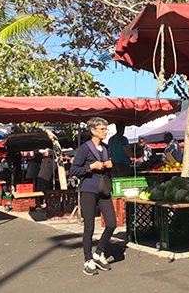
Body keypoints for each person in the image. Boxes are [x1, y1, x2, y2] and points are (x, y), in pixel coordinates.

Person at [69, 117, 115, 276]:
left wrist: (109, 165)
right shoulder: (84, 148)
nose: (105, 132)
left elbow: (108, 168)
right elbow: (74, 170)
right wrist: (91, 167)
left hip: (104, 189)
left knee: (112, 223)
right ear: (93, 131)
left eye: (105, 129)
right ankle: (88, 259)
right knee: (89, 227)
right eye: (102, 129)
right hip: (88, 190)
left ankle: (99, 252)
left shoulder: (106, 148)